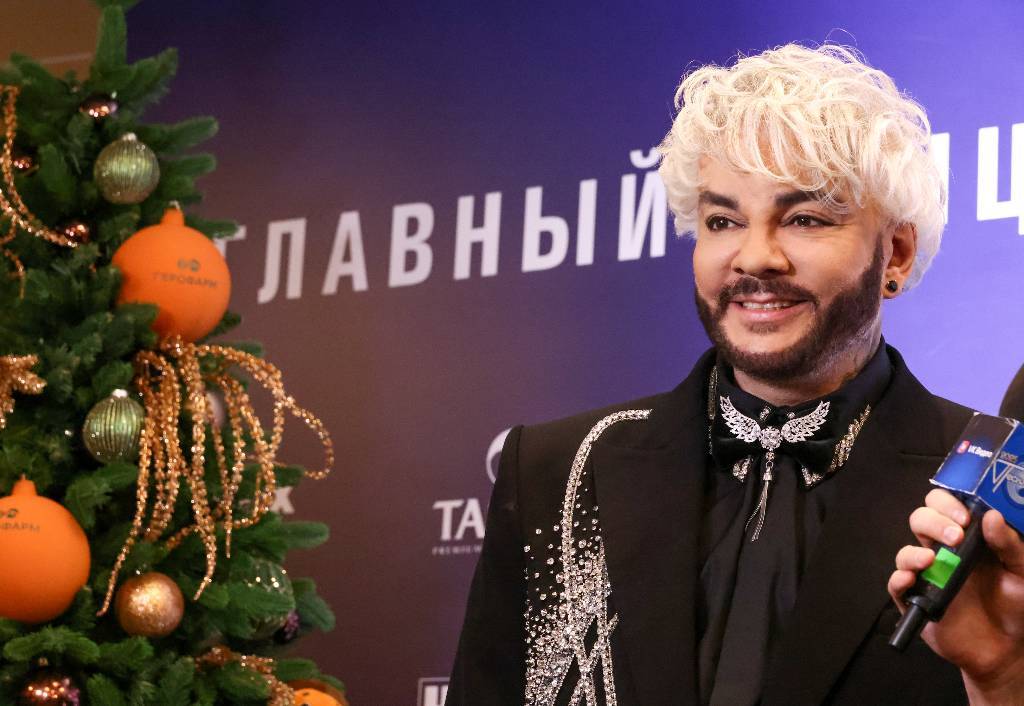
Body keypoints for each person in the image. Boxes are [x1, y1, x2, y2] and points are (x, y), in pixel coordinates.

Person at [448, 44, 1024, 706]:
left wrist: (1005, 682)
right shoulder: (558, 470)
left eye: (805, 218)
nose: (754, 257)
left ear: (894, 253)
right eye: (723, 221)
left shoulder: (995, 489)